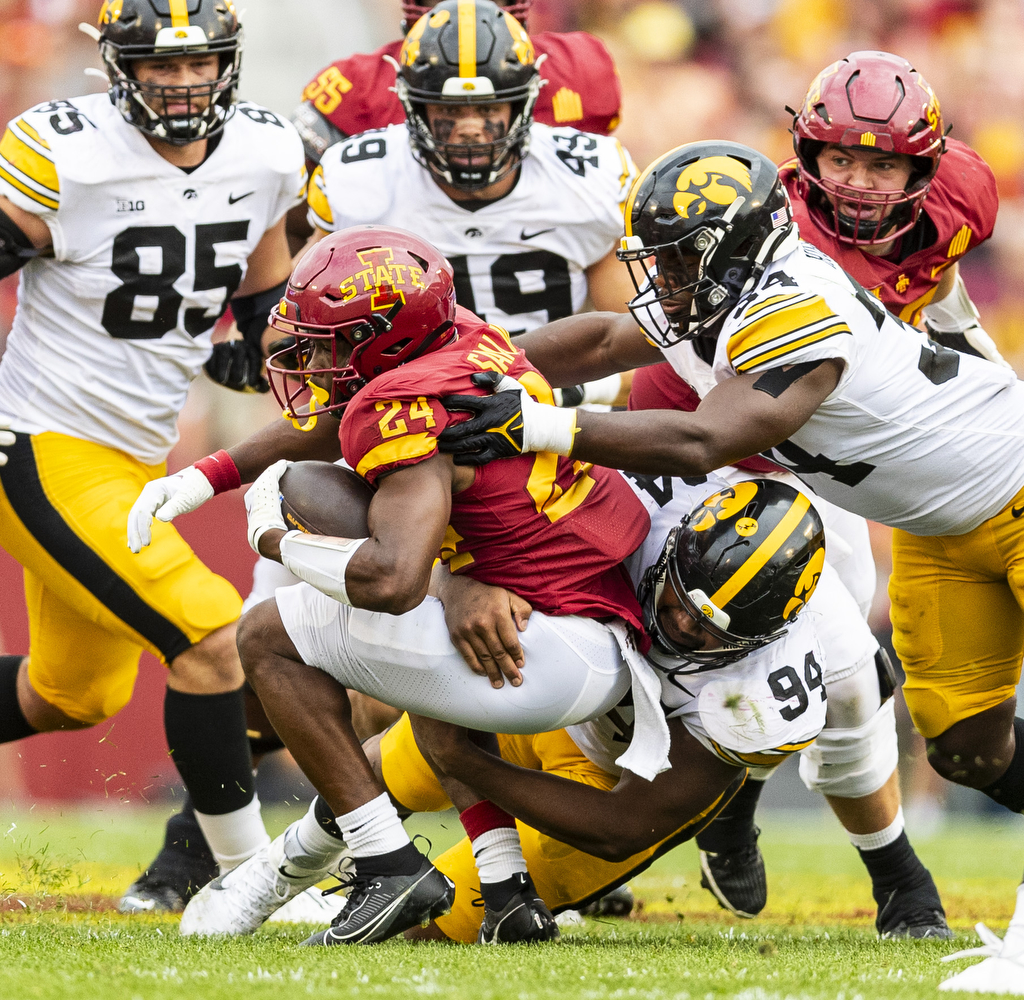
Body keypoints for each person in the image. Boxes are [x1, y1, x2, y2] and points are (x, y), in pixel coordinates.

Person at [435, 139, 1024, 992]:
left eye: (680, 258)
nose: (663, 276)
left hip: (1013, 479)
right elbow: (602, 337)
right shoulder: (718, 290)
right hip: (940, 526)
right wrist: (470, 366)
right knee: (967, 749)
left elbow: (705, 438)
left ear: (737, 247)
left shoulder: (794, 302)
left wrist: (535, 424)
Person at [127, 224, 668, 945]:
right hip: (595, 625)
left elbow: (392, 579)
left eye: (330, 340)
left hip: (548, 653)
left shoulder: (403, 405)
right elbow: (338, 425)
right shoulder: (464, 337)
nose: (310, 356)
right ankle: (506, 888)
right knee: (436, 671)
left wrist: (273, 537)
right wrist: (213, 473)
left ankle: (385, 861)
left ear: (385, 341)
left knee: (266, 637)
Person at [170, 474, 852, 943]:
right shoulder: (643, 506)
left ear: (767, 635)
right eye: (673, 598)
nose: (677, 628)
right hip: (553, 692)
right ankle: (277, 868)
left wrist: (465, 760)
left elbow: (621, 825)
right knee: (384, 769)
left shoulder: (773, 690)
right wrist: (458, 584)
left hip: (611, 778)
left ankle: (559, 891)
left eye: (709, 634)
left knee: (441, 927)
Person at [627, 52, 977, 933]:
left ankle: (735, 810)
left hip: (824, 451)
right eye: (841, 161)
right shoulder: (763, 226)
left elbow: (944, 298)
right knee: (848, 669)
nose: (858, 184)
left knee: (846, 659)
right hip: (713, 437)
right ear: (805, 156)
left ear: (924, 169)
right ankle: (900, 880)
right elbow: (640, 350)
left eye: (884, 164)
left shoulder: (961, 201)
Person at [0, 0, 313, 915]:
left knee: (70, 695)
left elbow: (263, 297)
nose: (181, 84)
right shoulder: (66, 149)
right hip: (43, 442)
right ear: (117, 68)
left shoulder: (266, 151)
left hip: (137, 457)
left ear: (229, 63)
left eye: (198, 64)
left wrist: (256, 348)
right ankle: (250, 879)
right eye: (159, 66)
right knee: (211, 635)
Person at [287, 0, 620, 242]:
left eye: (489, 109)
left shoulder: (579, 70)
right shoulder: (356, 86)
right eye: (449, 110)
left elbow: (605, 217)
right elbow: (298, 226)